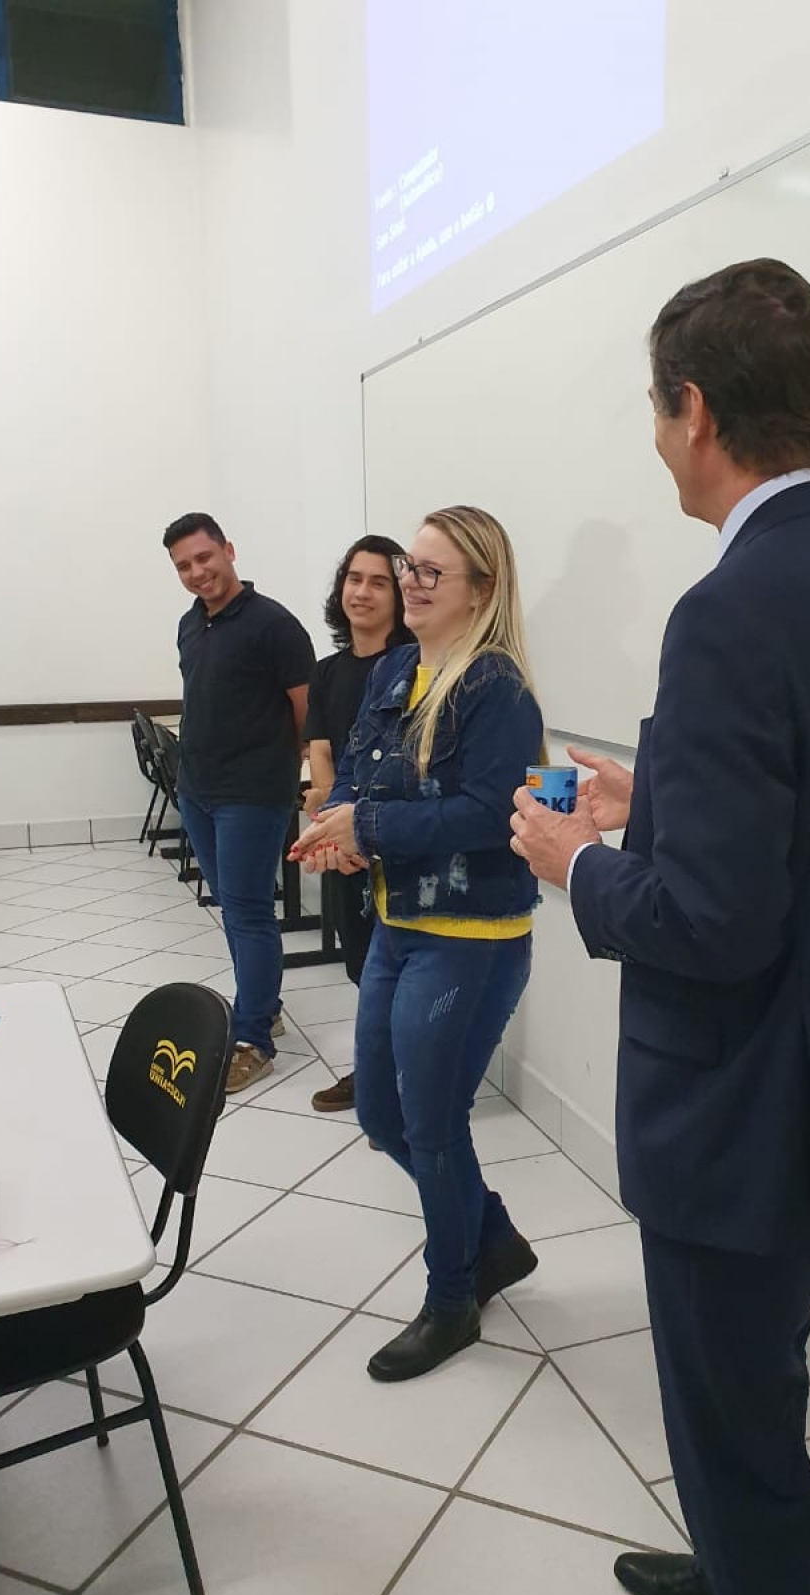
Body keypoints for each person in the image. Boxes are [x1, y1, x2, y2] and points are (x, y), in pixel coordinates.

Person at [510, 259, 810, 1595]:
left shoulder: (729, 607)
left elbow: (710, 922)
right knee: (757, 1377)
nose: (655, 438)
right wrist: (652, 798)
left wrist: (576, 859)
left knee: (735, 1426)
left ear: (694, 410)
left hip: (744, 1115)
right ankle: (727, 1555)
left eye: (656, 409)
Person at [290, 505, 543, 1382]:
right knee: (381, 1113)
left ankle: (452, 1298)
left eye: (431, 572)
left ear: (482, 588)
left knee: (432, 1123)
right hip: (399, 924)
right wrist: (342, 825)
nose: (410, 584)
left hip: (469, 937)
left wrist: (370, 827)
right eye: (410, 567)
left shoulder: (497, 688)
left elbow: (488, 812)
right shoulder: (399, 666)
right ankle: (493, 1235)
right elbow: (359, 769)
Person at [165, 512, 315, 1095]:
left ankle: (253, 1039)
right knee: (231, 906)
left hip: (251, 794)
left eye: (204, 557)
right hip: (198, 789)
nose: (197, 572)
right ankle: (263, 1006)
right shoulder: (190, 624)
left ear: (228, 550)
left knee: (249, 911)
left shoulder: (274, 625)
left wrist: (291, 771)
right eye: (183, 565)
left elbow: (307, 713)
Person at [302, 534, 411, 1115]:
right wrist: (330, 817)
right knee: (360, 959)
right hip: (342, 841)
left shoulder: (413, 666)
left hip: (396, 838)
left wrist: (359, 826)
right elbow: (321, 750)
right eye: (354, 579)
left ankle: (390, 1079)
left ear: (400, 594)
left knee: (397, 966)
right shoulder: (328, 672)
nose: (362, 592)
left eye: (378, 582)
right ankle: (376, 1069)